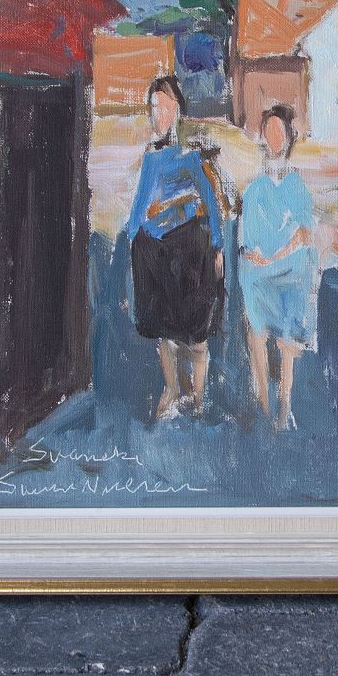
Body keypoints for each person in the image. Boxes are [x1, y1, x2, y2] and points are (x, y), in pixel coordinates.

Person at [121, 74, 225, 422]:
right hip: (157, 253)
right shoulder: (151, 159)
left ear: (178, 111)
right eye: (154, 108)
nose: (159, 115)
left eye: (165, 108)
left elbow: (211, 204)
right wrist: (139, 237)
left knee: (196, 332)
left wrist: (218, 246)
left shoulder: (191, 157)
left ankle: (198, 398)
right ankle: (172, 389)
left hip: (191, 251)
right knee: (165, 333)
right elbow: (137, 213)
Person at [238, 105, 318, 432]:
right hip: (260, 270)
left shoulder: (297, 185)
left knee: (288, 326)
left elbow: (304, 233)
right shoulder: (255, 188)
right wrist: (258, 256)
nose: (273, 137)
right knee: (255, 323)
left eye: (279, 131)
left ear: (288, 138)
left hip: (290, 267)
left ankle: (284, 403)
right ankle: (262, 401)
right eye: (268, 131)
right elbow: (247, 239)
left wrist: (277, 257)